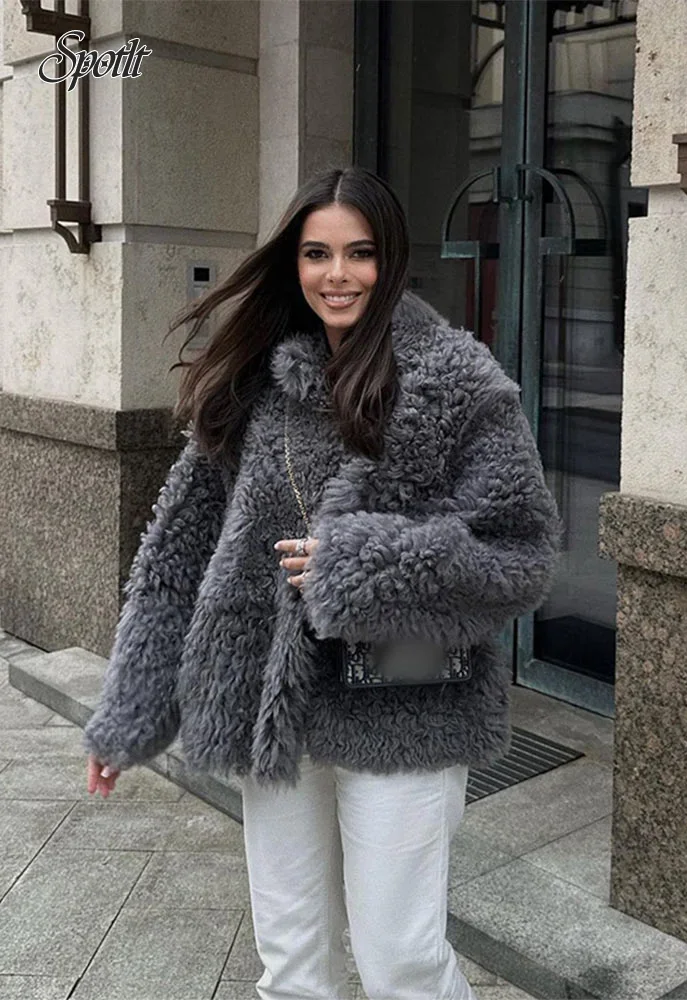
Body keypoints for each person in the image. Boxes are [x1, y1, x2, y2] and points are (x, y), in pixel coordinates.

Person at [83, 166, 562, 1000]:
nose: (337, 274)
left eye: (360, 253)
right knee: (292, 960)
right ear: (293, 264)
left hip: (404, 706)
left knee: (401, 959)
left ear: (392, 261)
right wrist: (129, 712)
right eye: (316, 254)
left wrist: (361, 561)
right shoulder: (253, 386)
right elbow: (175, 558)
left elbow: (522, 556)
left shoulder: (459, 386)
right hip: (279, 707)